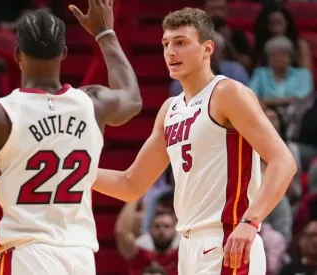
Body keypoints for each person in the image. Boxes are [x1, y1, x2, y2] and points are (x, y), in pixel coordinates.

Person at [93, 8, 297, 275]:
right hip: (188, 245)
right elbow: (131, 184)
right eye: (166, 44)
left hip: (227, 237)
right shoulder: (169, 109)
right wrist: (78, 172)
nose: (171, 52)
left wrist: (251, 221)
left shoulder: (227, 93)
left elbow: (284, 161)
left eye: (181, 43)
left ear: (207, 48)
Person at [0, 1, 142, 274]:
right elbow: (132, 99)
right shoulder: (92, 103)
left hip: (26, 253)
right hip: (80, 255)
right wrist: (105, 33)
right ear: (64, 53)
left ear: (17, 54)